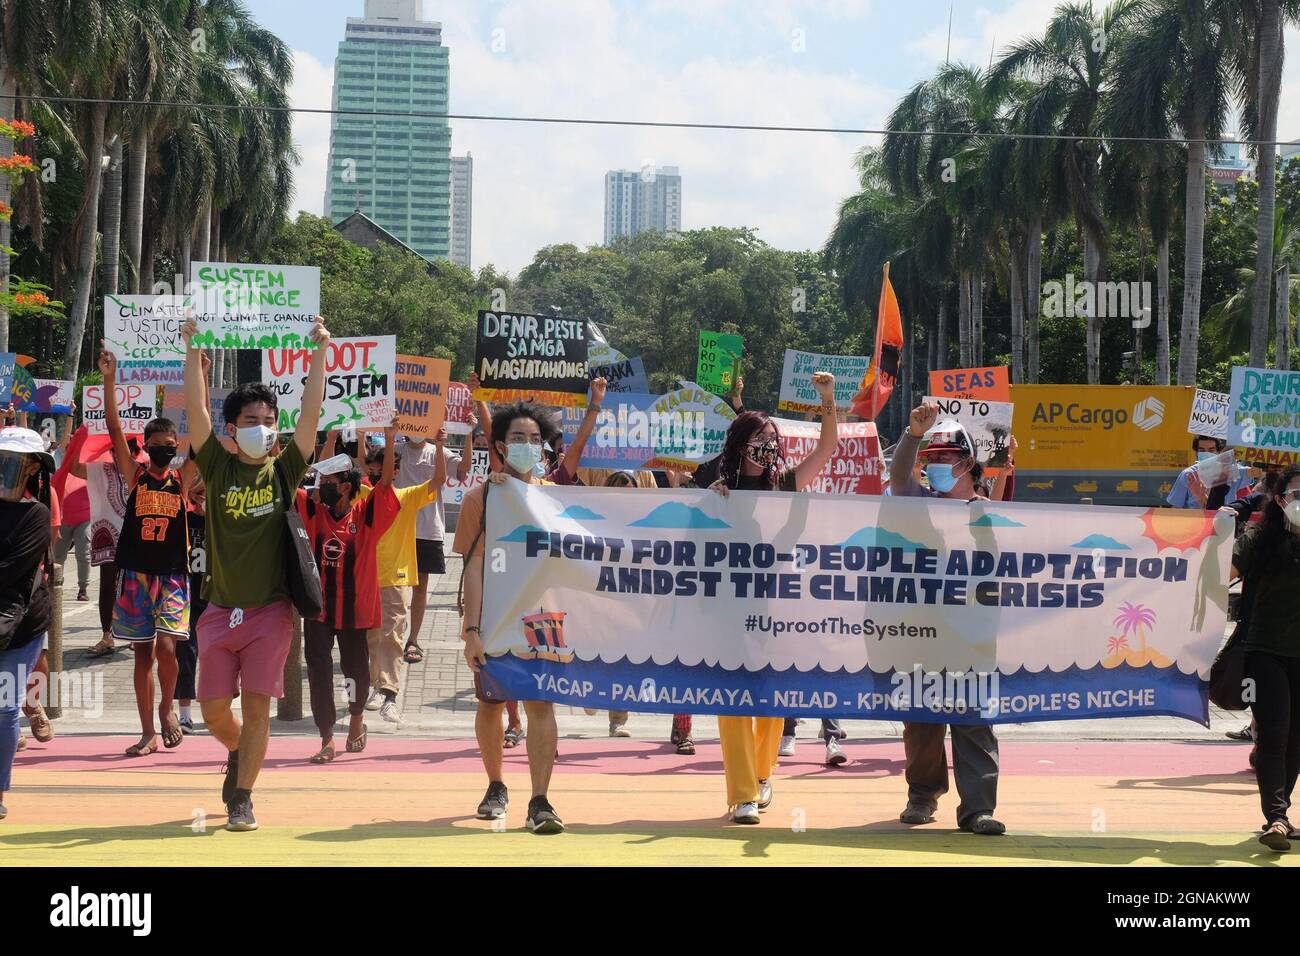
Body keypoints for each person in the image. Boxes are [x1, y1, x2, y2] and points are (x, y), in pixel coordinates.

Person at [181, 314, 330, 832]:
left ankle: (242, 796)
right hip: (219, 610)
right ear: (231, 428)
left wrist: (318, 355)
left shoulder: (285, 469)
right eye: (250, 420)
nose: (261, 428)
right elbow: (195, 410)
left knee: (260, 706)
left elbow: (310, 415)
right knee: (215, 710)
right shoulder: (217, 467)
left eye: (269, 420)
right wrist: (191, 346)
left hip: (270, 612)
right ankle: (240, 752)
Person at [701, 371, 839, 824]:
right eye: (759, 436)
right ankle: (741, 793)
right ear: (740, 443)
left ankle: (761, 776)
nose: (767, 444)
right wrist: (712, 504)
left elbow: (826, 450)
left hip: (776, 613)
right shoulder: (717, 495)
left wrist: (829, 399)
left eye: (772, 438)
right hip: (727, 618)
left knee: (772, 705)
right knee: (733, 708)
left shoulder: (784, 487)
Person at [889, 402, 1004, 836]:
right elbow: (899, 479)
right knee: (920, 719)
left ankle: (978, 809)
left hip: (973, 635)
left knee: (974, 721)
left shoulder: (992, 513)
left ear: (968, 464)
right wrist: (913, 434)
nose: (932, 469)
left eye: (942, 461)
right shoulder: (918, 503)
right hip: (920, 629)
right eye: (928, 461)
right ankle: (922, 795)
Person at [456, 401, 565, 833]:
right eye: (518, 439)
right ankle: (496, 785)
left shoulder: (552, 497)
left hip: (543, 619)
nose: (528, 446)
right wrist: (471, 630)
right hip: (495, 619)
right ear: (500, 445)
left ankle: (540, 801)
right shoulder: (480, 498)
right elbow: (474, 568)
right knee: (492, 704)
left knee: (542, 704)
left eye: (535, 439)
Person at [97, 348, 191, 755]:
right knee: (142, 655)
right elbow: (115, 430)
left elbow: (200, 430)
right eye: (156, 445)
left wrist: (197, 377)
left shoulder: (182, 480)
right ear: (146, 447)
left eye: (169, 445)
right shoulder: (135, 476)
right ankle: (147, 732)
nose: (163, 450)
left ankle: (168, 709)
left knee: (168, 646)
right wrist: (108, 378)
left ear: (175, 446)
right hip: (134, 574)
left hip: (172, 573)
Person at [298, 427, 399, 762]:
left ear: (344, 486)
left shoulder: (366, 515)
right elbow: (301, 478)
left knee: (355, 669)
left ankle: (356, 718)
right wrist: (327, 441)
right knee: (319, 669)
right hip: (318, 609)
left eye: (328, 482)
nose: (321, 486)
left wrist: (391, 433)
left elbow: (384, 486)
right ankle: (326, 736)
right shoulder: (313, 513)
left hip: (355, 610)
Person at [1231, 463, 1300, 851]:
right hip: (1265, 651)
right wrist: (1217, 531)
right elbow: (1220, 572)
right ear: (1279, 499)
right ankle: (1276, 817)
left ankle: (1281, 815)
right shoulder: (1260, 539)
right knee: (1274, 734)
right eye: (1297, 495)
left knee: (1297, 740)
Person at [349, 434, 439, 723]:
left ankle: (390, 694)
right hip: (367, 577)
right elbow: (359, 468)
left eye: (382, 469)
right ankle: (377, 687)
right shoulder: (362, 495)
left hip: (397, 577)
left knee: (393, 635)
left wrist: (438, 446)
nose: (376, 474)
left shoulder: (406, 497)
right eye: (371, 470)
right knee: (373, 636)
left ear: (395, 471)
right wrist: (356, 436)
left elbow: (438, 482)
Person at [0, 427, 55, 819]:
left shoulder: (36, 513)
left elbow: (11, 570)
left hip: (19, 625)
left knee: (4, 708)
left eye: (13, 461)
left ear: (32, 467)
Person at [393, 425, 469, 667]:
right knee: (395, 587)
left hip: (428, 528)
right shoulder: (395, 450)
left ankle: (413, 639)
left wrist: (468, 433)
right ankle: (392, 638)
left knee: (420, 586)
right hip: (397, 529)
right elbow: (365, 463)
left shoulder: (441, 451)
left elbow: (463, 470)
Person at [51, 424, 92, 601]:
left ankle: (83, 588)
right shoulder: (60, 461)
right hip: (62, 517)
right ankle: (54, 585)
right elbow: (66, 439)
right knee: (58, 556)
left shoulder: (89, 465)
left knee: (84, 552)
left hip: (85, 517)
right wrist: (70, 415)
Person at [1167, 435, 1252, 510]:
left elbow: (1256, 472)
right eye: (1202, 450)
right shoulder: (1188, 475)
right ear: (1197, 452)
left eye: (1211, 450)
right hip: (1196, 524)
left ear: (1219, 452)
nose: (1207, 453)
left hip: (1225, 523)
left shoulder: (1231, 470)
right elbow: (1175, 508)